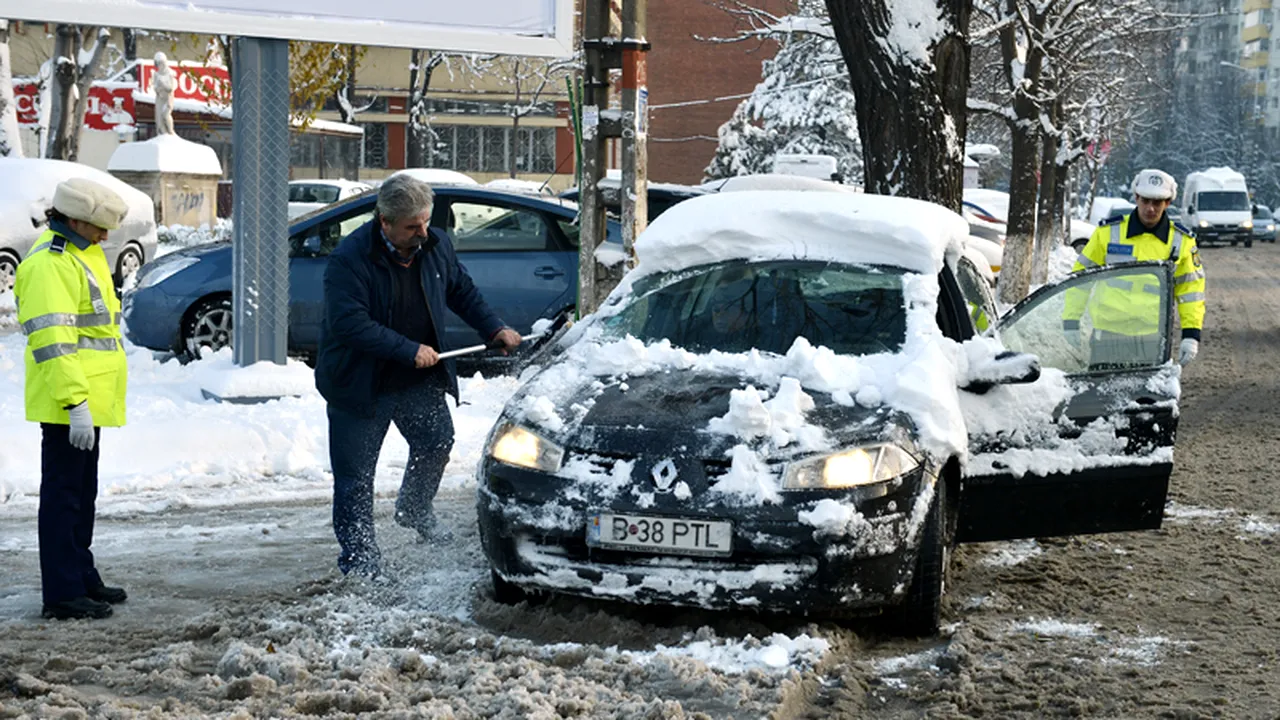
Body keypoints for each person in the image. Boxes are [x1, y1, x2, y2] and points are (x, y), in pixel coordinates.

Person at [314, 174, 521, 578]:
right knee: (356, 480)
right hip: (360, 384)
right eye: (412, 226)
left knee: (435, 441)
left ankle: (414, 507)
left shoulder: (435, 245)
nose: (423, 232)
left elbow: (461, 291)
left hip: (417, 378)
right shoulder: (350, 259)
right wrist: (407, 349)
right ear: (385, 221)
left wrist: (493, 327)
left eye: (425, 221)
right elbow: (349, 324)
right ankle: (360, 561)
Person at [15, 178, 130, 620]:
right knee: (64, 497)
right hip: (68, 403)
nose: (105, 235)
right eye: (99, 227)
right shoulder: (51, 263)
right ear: (76, 220)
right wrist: (75, 403)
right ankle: (62, 593)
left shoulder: (84, 252)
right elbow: (54, 343)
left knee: (82, 494)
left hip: (87, 399)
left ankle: (81, 575)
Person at [1064, 168, 1206, 369]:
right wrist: (1071, 319)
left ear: (1167, 203)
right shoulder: (1107, 233)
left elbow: (1191, 292)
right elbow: (1080, 279)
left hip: (1153, 338)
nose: (1150, 208)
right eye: (1145, 200)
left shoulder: (1182, 242)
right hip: (1107, 335)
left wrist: (1191, 334)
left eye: (1157, 202)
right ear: (1136, 198)